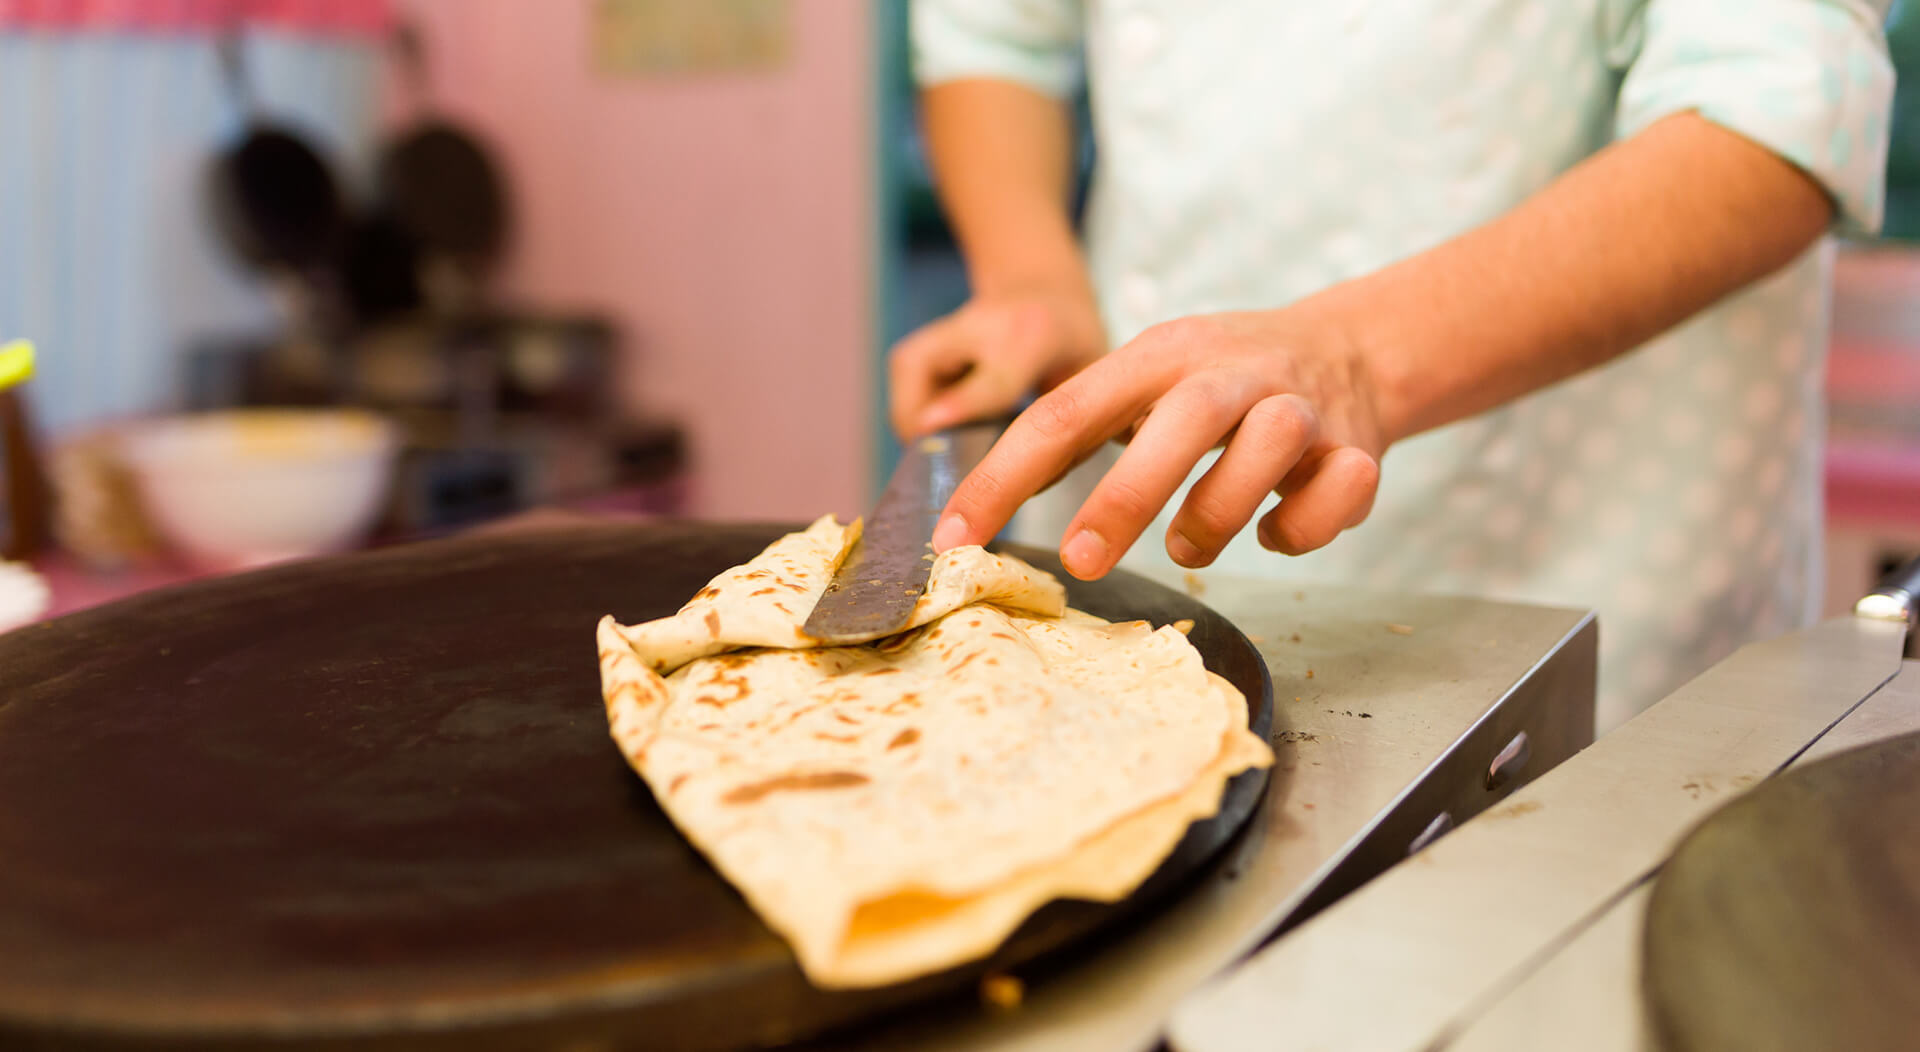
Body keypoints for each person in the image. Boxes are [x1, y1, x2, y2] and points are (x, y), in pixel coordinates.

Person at [890, 2, 1897, 730]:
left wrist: (1350, 365)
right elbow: (995, 34)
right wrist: (1032, 268)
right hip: (1137, 523)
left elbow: (1777, 112)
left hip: (1575, 564)